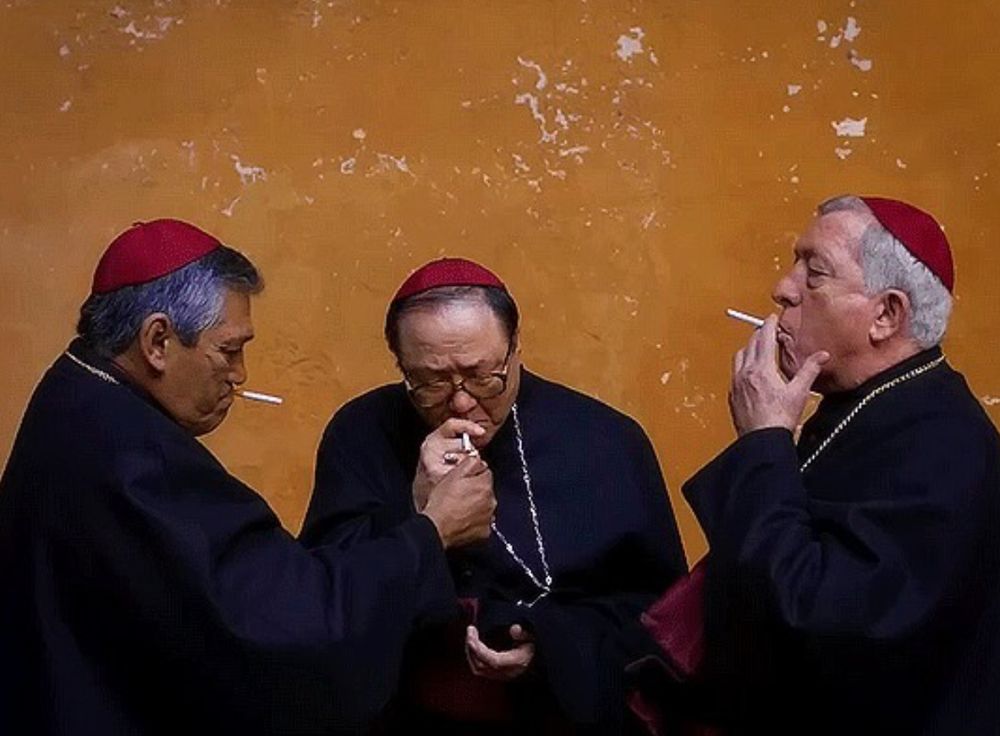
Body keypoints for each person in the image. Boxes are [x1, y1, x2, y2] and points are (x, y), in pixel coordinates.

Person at [0, 220, 496, 735]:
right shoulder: (136, 461)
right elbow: (283, 628)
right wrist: (431, 531)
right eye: (229, 350)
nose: (239, 374)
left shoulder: (77, 396)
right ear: (157, 341)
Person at [653, 195, 999, 734]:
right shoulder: (869, 407)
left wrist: (765, 441)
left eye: (814, 273)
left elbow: (817, 624)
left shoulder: (944, 448)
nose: (783, 289)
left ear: (885, 315)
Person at [300, 258, 687, 734]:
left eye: (483, 376)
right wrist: (418, 514)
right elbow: (322, 598)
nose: (462, 401)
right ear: (402, 366)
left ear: (515, 347)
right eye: (431, 382)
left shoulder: (606, 440)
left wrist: (550, 647)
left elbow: (659, 617)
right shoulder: (360, 432)